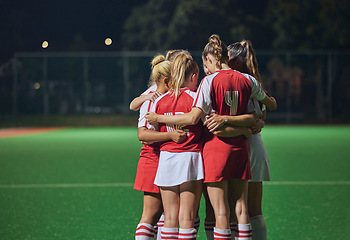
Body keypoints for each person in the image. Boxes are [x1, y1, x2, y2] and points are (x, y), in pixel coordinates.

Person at [146, 34, 276, 240]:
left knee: (219, 211)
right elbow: (265, 109)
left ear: (210, 59)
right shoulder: (249, 80)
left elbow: (196, 117)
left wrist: (158, 117)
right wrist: (246, 128)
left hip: (214, 150)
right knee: (244, 208)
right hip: (243, 146)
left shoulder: (207, 82)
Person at [204, 40, 273, 240]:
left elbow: (256, 120)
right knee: (251, 209)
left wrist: (230, 121)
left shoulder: (231, 81)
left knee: (229, 209)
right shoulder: (252, 81)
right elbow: (261, 116)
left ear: (233, 61)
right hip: (252, 144)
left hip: (235, 145)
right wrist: (253, 124)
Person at [150, 53, 204, 239]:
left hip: (166, 158)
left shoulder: (159, 101)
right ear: (194, 76)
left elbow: (149, 133)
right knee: (187, 217)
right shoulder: (196, 98)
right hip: (191, 158)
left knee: (170, 218)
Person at [134, 55, 187, 240]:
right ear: (166, 80)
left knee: (167, 214)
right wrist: (170, 135)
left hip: (166, 157)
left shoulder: (167, 96)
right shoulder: (151, 98)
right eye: (176, 77)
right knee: (151, 215)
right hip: (152, 157)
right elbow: (143, 135)